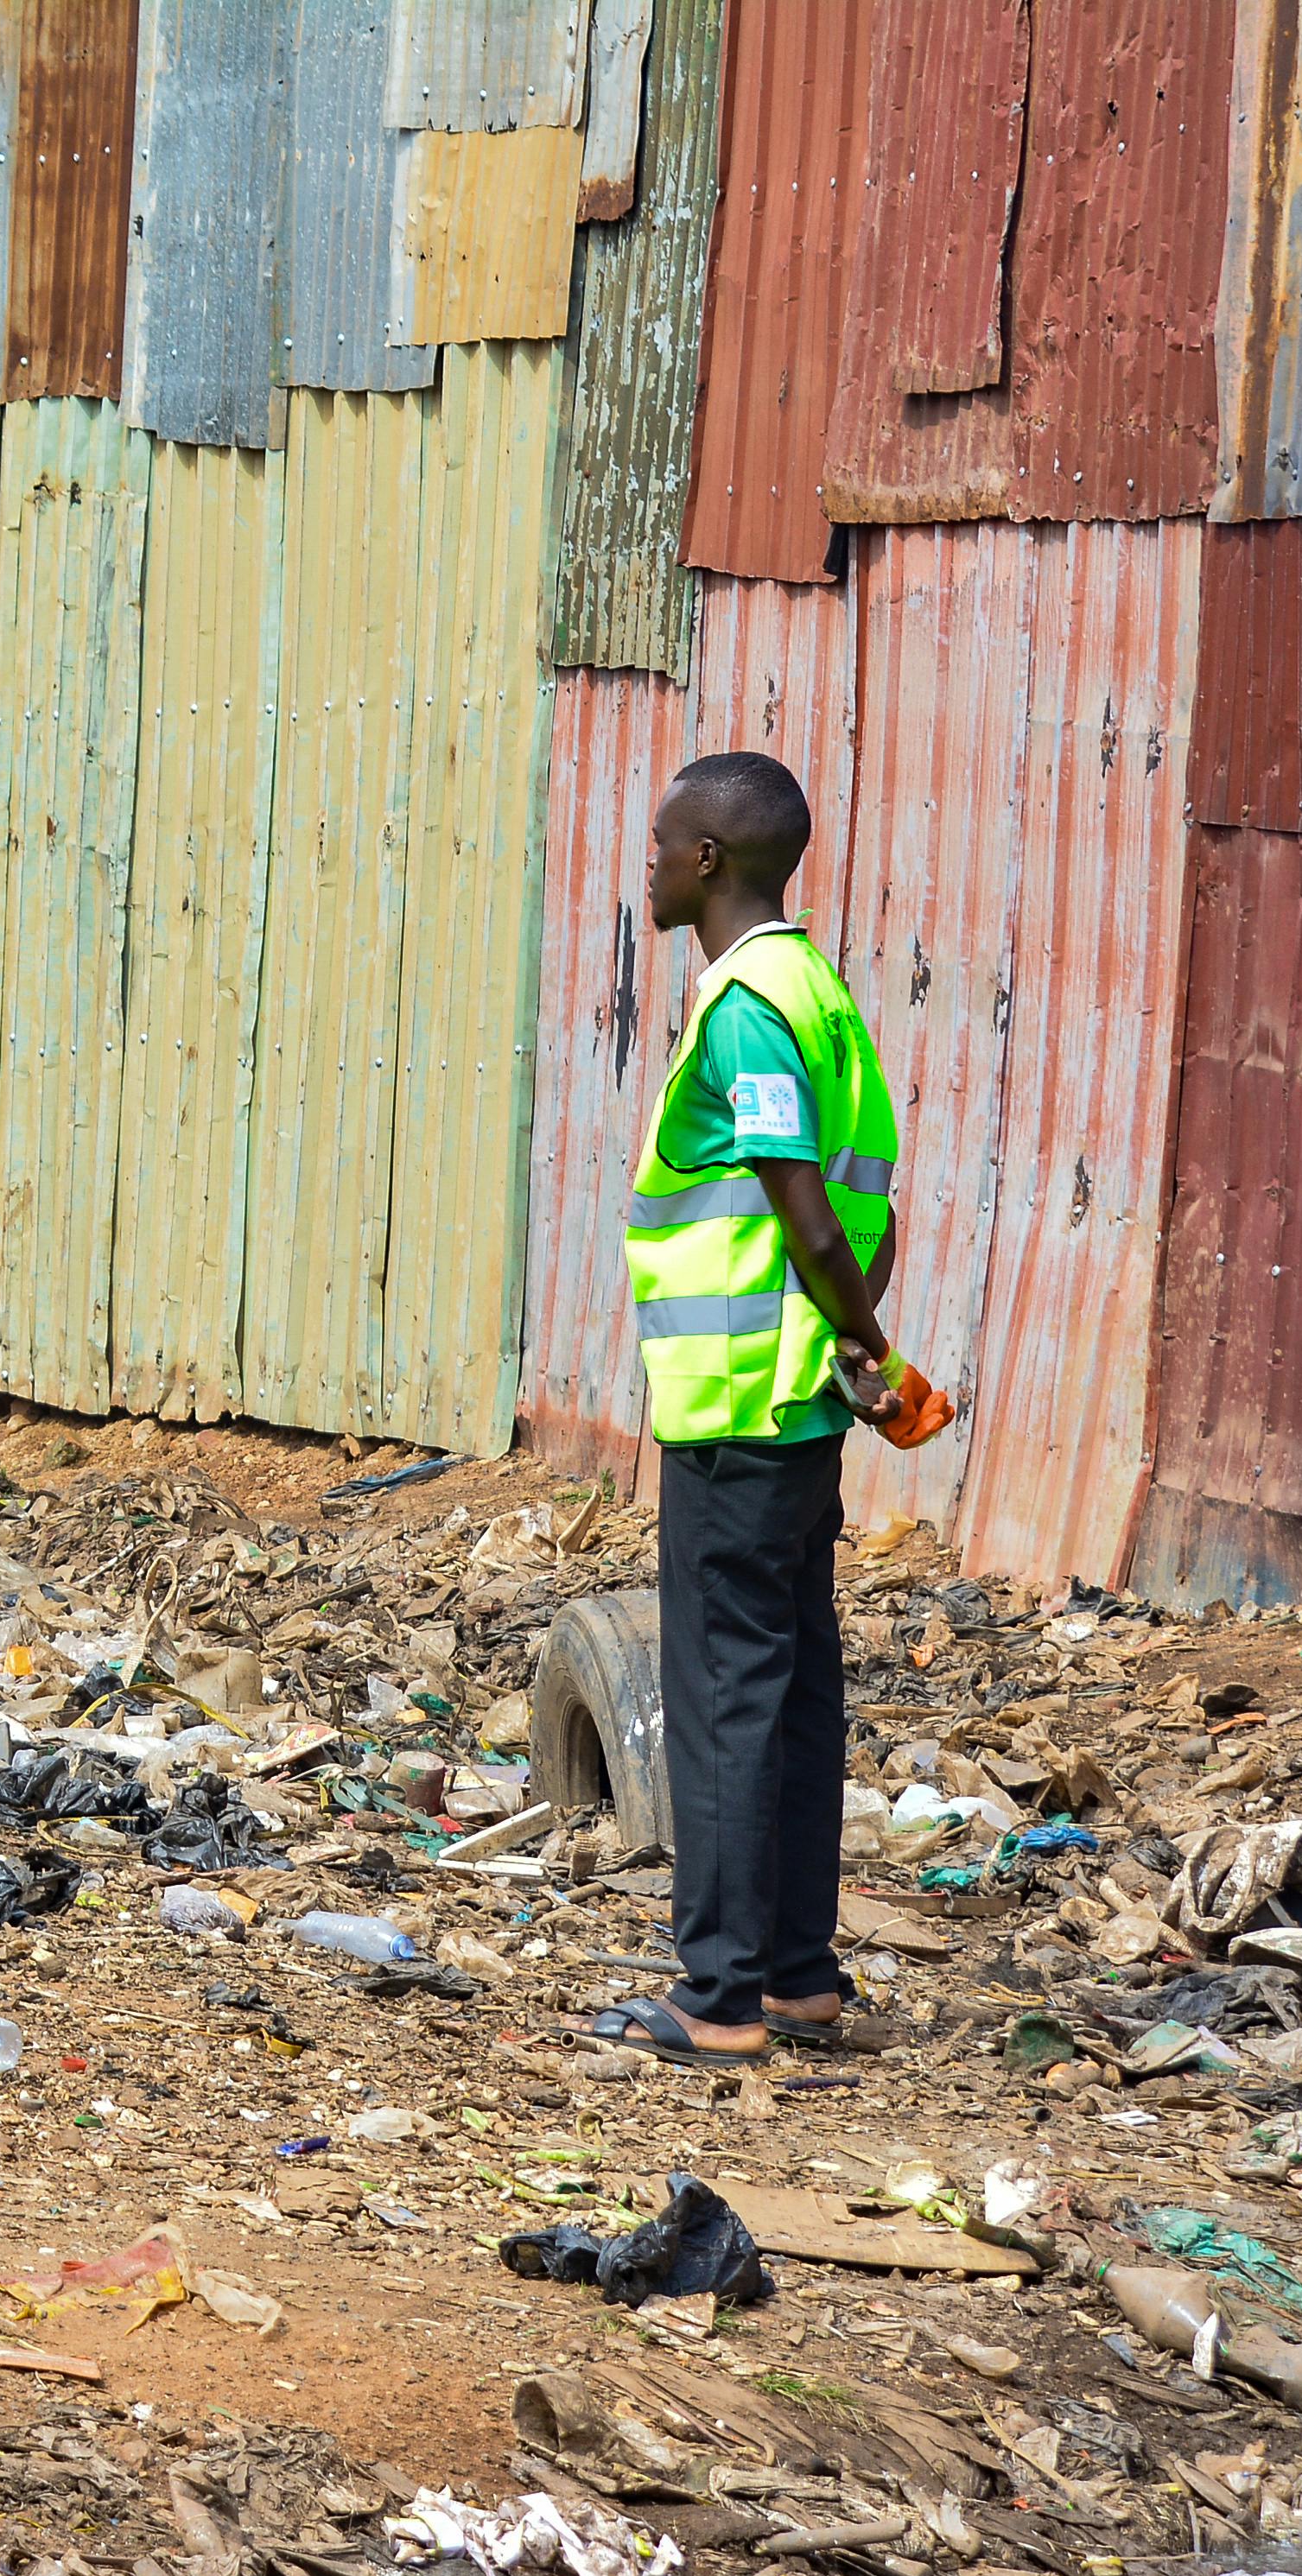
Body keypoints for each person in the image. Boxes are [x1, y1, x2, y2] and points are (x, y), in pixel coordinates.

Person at [584, 751, 904, 2069]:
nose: (650, 864)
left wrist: (866, 1345)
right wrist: (854, 1343)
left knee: (725, 1690)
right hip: (802, 1398)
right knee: (795, 1684)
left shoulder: (749, 1011)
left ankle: (715, 1997)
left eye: (662, 845)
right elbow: (872, 1193)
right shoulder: (820, 991)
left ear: (707, 860)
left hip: (742, 1403)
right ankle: (796, 1976)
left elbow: (806, 1202)